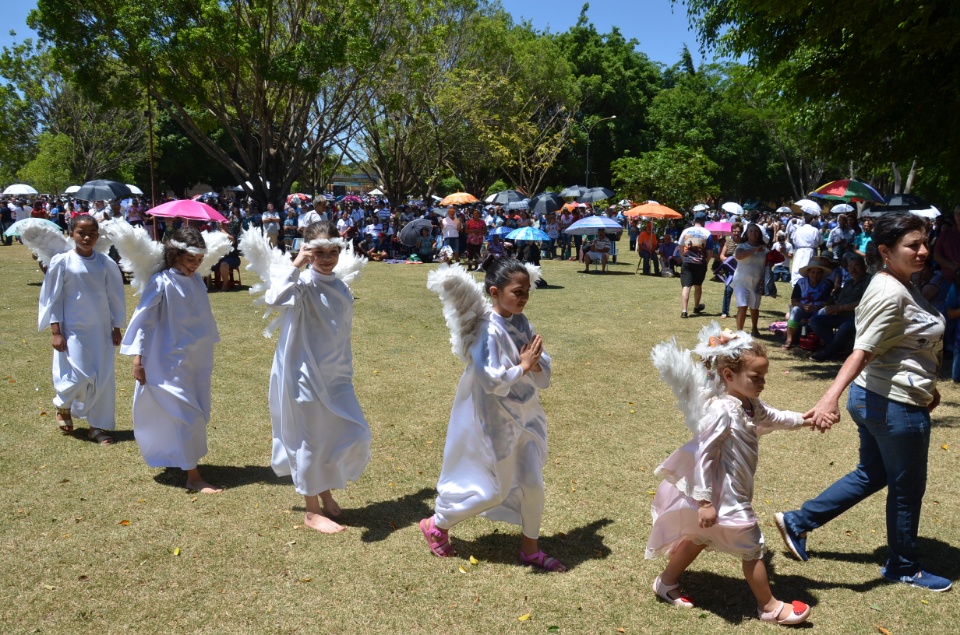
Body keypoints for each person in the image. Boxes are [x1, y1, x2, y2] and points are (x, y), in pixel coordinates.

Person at [775, 213, 952, 593]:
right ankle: (902, 565)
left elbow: (903, 345)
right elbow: (863, 350)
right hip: (893, 405)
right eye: (913, 245)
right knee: (907, 488)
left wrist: (929, 382)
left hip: (882, 397)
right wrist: (828, 398)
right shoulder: (890, 292)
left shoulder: (900, 282)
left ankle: (798, 521)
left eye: (925, 243)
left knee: (873, 472)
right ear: (886, 251)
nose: (923, 251)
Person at [647, 328, 815, 625]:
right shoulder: (723, 411)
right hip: (723, 495)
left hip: (736, 488)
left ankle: (666, 582)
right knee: (752, 546)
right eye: (755, 377)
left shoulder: (751, 405)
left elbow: (776, 417)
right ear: (728, 375)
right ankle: (769, 606)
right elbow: (704, 456)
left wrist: (806, 419)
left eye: (764, 377)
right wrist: (704, 502)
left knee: (700, 537)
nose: (762, 383)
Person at [421, 259, 565, 572]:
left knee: (533, 483)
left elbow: (541, 370)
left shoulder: (523, 322)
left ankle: (530, 549)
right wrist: (524, 366)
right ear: (495, 292)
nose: (524, 296)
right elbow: (491, 381)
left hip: (526, 417)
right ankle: (437, 523)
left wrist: (536, 364)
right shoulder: (487, 330)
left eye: (527, 290)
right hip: (495, 420)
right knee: (494, 490)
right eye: (517, 291)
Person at [264, 221, 371, 534]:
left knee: (351, 432)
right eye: (319, 251)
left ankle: (324, 490)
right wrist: (296, 263)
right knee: (310, 440)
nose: (327, 258)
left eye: (333, 251)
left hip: (337, 375)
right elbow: (274, 297)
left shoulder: (340, 285)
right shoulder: (301, 283)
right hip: (304, 375)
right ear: (307, 250)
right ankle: (312, 510)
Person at [120, 226, 223, 493]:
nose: (195, 265)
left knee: (198, 411)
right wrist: (138, 359)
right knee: (186, 413)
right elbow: (144, 320)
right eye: (191, 260)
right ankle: (193, 476)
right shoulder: (161, 282)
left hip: (196, 358)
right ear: (175, 255)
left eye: (199, 261)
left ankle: (180, 456)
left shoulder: (197, 280)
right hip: (168, 360)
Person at [38, 215, 125, 443]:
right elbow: (53, 299)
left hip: (101, 330)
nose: (87, 237)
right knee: (79, 374)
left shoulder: (105, 263)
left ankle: (96, 426)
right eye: (81, 233)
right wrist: (56, 331)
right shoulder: (62, 262)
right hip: (74, 330)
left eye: (92, 233)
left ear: (98, 236)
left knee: (103, 377)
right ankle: (63, 405)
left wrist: (116, 326)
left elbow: (114, 296)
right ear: (71, 233)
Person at [809, 253, 872, 361]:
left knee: (846, 326)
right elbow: (839, 301)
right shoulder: (849, 282)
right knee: (814, 321)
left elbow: (866, 302)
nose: (852, 270)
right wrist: (832, 306)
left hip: (859, 317)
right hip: (841, 315)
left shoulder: (869, 281)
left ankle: (828, 353)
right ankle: (840, 350)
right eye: (850, 267)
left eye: (856, 266)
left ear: (864, 267)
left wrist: (841, 308)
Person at [782, 256, 833, 350]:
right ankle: (789, 339)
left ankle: (822, 339)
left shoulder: (826, 284)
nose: (815, 275)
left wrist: (815, 307)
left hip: (817, 310)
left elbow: (827, 302)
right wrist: (803, 306)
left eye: (818, 273)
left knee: (824, 311)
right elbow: (794, 301)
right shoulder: (801, 283)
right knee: (795, 310)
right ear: (808, 273)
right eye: (813, 272)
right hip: (803, 308)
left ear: (821, 274)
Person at [731, 223, 768, 336]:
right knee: (742, 306)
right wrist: (754, 250)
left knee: (754, 307)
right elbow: (739, 256)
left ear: (759, 234)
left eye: (756, 231)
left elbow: (768, 263)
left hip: (757, 282)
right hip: (742, 281)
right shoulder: (742, 246)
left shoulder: (765, 249)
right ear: (747, 233)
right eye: (751, 231)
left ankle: (754, 329)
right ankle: (739, 331)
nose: (753, 233)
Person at [678, 212, 714, 318]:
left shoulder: (686, 231)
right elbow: (710, 250)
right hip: (700, 262)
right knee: (698, 285)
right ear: (703, 221)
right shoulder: (707, 233)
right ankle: (696, 306)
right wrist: (706, 261)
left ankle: (684, 310)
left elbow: (680, 246)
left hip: (687, 262)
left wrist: (683, 258)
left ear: (694, 220)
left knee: (686, 286)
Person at [789, 213, 822, 286]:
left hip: (800, 250)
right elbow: (819, 241)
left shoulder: (799, 229)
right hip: (810, 251)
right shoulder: (815, 230)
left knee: (798, 267)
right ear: (812, 220)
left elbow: (794, 240)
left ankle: (796, 283)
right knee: (808, 267)